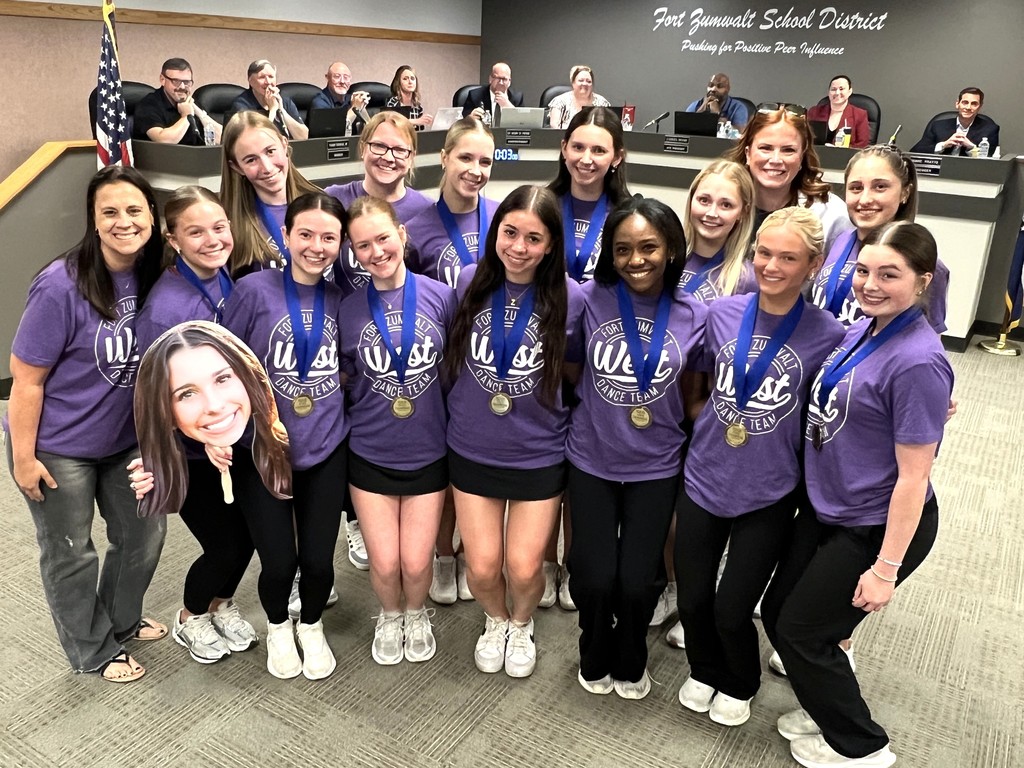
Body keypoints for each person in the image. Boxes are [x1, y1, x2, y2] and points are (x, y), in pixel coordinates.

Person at [764, 221, 954, 768]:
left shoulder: (917, 359)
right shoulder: (865, 329)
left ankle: (863, 748)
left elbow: (914, 478)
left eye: (889, 275)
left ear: (922, 281)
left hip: (873, 523)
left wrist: (885, 569)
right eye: (864, 271)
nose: (870, 285)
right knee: (779, 613)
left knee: (802, 632)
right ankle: (826, 707)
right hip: (829, 506)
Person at [675, 208, 846, 728]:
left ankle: (739, 680)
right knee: (693, 596)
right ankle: (704, 669)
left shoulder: (828, 334)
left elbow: (840, 405)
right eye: (763, 253)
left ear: (813, 265)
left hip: (770, 487)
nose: (771, 266)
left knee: (732, 606)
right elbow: (695, 379)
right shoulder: (722, 313)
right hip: (705, 474)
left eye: (787, 258)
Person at [5, 165, 167, 683]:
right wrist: (23, 459)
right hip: (59, 446)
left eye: (134, 210)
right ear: (93, 221)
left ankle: (120, 622)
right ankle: (92, 650)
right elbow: (26, 381)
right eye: (109, 212)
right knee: (71, 552)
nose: (124, 221)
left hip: (126, 439)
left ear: (152, 216)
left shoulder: (157, 272)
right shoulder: (60, 284)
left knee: (144, 535)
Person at [566, 197, 706, 700]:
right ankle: (593, 646)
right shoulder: (589, 299)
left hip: (657, 464)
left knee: (638, 579)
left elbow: (692, 395)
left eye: (649, 247)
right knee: (594, 575)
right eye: (622, 249)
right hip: (592, 457)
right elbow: (571, 372)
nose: (636, 259)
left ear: (671, 249)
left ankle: (631, 654)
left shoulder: (694, 314)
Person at [444, 185, 584, 678]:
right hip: (473, 445)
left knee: (525, 568)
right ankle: (496, 619)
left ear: (550, 246)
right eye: (509, 233)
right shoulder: (469, 281)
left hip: (537, 451)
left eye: (533, 238)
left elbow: (574, 372)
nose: (519, 247)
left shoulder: (571, 297)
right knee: (482, 568)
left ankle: (521, 623)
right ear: (495, 232)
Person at [222, 193, 350, 680]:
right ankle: (278, 626)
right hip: (261, 448)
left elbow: (350, 364)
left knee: (318, 562)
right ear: (286, 236)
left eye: (329, 237)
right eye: (306, 234)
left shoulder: (340, 298)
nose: (317, 246)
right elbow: (223, 363)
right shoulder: (253, 291)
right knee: (278, 562)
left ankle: (311, 624)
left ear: (340, 243)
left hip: (325, 446)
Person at [132, 187, 261, 665]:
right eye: (196, 232)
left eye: (219, 227)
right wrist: (199, 439)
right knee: (225, 544)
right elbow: (155, 397)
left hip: (228, 435)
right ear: (173, 240)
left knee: (249, 535)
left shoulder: (225, 276)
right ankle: (191, 616)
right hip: (188, 450)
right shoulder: (165, 312)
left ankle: (220, 604)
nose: (213, 239)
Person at [339, 197, 456, 665]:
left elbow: (455, 370)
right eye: (362, 245)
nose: (376, 252)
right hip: (370, 449)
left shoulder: (441, 296)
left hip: (429, 449)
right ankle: (390, 615)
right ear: (353, 252)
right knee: (385, 562)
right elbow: (343, 377)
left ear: (402, 235)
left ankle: (415, 612)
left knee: (416, 560)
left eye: (383, 238)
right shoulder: (347, 308)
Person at [538, 105, 631, 613]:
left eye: (599, 149)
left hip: (602, 355)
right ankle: (544, 562)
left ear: (617, 156)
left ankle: (573, 562)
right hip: (538, 351)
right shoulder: (543, 204)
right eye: (578, 146)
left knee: (582, 469)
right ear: (563, 149)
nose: (587, 158)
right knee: (546, 465)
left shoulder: (627, 215)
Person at [811, 145, 949, 333]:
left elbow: (930, 340)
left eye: (880, 187)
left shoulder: (926, 266)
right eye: (856, 188)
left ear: (905, 193)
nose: (865, 199)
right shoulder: (841, 240)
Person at [324, 110, 434, 293]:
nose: (388, 158)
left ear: (411, 157)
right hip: (346, 310)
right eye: (378, 146)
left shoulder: (428, 210)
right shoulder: (333, 201)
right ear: (363, 148)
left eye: (400, 150)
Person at [723, 104, 854, 255]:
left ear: (802, 157)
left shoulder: (831, 214)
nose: (776, 160)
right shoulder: (720, 203)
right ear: (748, 153)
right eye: (765, 148)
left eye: (788, 150)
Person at [219, 111, 320, 277]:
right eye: (251, 160)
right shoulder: (229, 224)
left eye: (270, 151)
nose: (266, 167)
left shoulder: (321, 204)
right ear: (236, 167)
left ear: (284, 144)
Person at [405, 118, 498, 289]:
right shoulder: (415, 232)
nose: (476, 171)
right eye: (465, 158)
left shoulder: (503, 218)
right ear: (444, 158)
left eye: (485, 162)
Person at [677, 159, 758, 302]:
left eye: (726, 205)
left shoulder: (748, 280)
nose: (712, 213)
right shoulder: (666, 260)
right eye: (704, 200)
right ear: (691, 200)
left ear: (743, 212)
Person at [132, 57, 221, 145]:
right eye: (176, 81)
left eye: (187, 82)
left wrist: (199, 112)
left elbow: (222, 139)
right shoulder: (148, 105)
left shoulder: (191, 103)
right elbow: (164, 141)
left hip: (198, 154)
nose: (182, 87)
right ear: (162, 80)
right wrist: (186, 116)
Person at [228, 59, 309, 141]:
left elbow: (303, 137)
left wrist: (281, 111)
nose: (268, 82)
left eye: (271, 77)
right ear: (250, 81)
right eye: (262, 77)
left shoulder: (284, 101)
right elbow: (258, 141)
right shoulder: (241, 106)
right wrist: (273, 110)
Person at [910, 87, 1000, 156]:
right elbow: (915, 151)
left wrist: (971, 147)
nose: (968, 107)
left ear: (979, 107)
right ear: (957, 104)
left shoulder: (990, 129)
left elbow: (991, 160)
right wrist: (943, 145)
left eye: (974, 104)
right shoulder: (938, 126)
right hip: (940, 171)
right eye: (965, 102)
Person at [806, 75, 870, 148]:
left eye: (841, 89)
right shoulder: (814, 112)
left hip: (846, 155)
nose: (837, 92)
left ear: (850, 91)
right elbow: (805, 138)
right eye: (833, 89)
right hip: (817, 154)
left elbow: (862, 145)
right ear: (828, 92)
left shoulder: (860, 115)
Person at [547, 66, 612, 130]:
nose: (585, 84)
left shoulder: (602, 103)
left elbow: (608, 128)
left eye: (589, 81)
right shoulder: (559, 102)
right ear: (573, 83)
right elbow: (555, 128)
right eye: (581, 80)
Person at [685, 73, 749, 129]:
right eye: (710, 85)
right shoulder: (695, 105)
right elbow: (685, 129)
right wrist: (701, 110)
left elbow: (740, 134)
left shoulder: (738, 107)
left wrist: (716, 114)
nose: (713, 89)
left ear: (727, 89)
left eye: (720, 86)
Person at [386, 65, 434, 130]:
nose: (410, 82)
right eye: (405, 79)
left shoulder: (417, 107)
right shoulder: (393, 102)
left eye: (412, 78)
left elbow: (420, 132)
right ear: (398, 83)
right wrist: (416, 121)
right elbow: (391, 123)